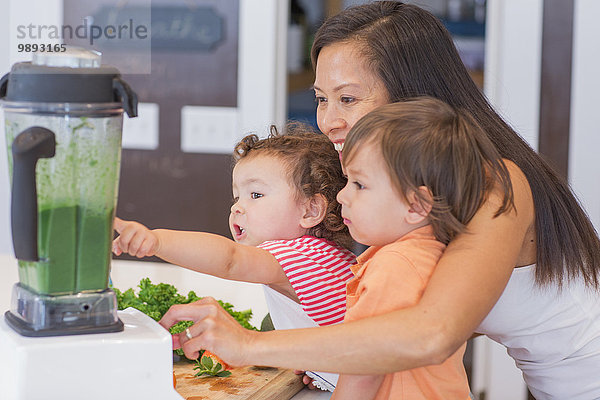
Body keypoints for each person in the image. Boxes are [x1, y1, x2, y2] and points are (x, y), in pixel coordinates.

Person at [158, 2, 600, 399]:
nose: (329, 121)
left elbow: (433, 333)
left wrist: (248, 343)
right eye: (321, 99)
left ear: (414, 98)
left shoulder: (491, 183)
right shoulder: (405, 187)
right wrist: (333, 355)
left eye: (348, 99)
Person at [113, 124, 356, 391]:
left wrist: (155, 241)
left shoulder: (303, 255)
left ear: (310, 210)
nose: (237, 207)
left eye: (256, 195)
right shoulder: (323, 256)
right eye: (236, 196)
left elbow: (230, 259)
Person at [332, 97, 506, 399]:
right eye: (347, 180)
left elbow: (363, 366)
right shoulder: (426, 252)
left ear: (416, 205)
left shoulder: (394, 265)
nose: (341, 196)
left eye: (359, 185)